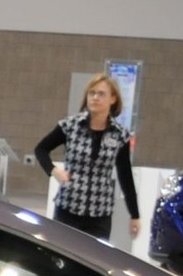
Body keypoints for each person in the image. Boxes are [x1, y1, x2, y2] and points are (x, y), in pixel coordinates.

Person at [36, 74, 140, 240]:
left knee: (94, 261)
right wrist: (54, 170)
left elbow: (125, 175)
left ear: (113, 99)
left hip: (100, 213)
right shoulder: (70, 126)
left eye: (101, 94)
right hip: (68, 207)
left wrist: (134, 215)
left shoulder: (120, 135)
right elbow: (41, 149)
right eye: (92, 93)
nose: (95, 98)